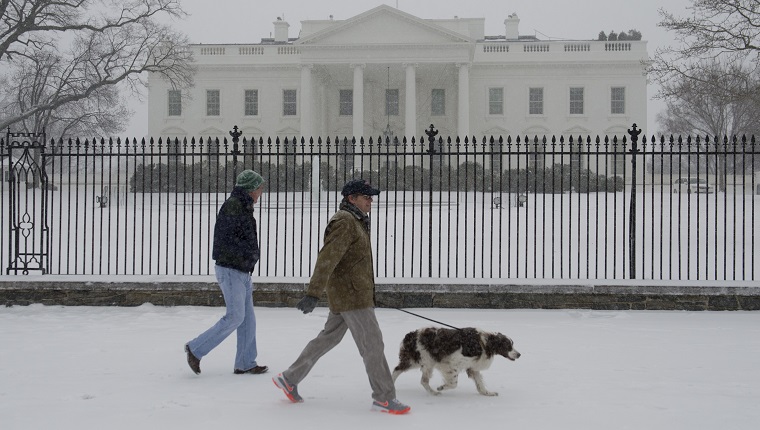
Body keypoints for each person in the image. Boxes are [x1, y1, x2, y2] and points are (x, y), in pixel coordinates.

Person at [272, 179, 410, 415]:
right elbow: (327, 258)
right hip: (352, 297)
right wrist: (313, 293)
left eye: (371, 196)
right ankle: (384, 397)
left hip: (350, 293)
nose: (371, 200)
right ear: (351, 199)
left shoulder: (355, 221)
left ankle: (289, 378)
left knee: (327, 339)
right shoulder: (345, 222)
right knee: (373, 344)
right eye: (366, 196)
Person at [184, 169, 268, 376]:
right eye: (259, 188)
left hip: (241, 270)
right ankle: (195, 349)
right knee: (235, 316)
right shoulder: (234, 206)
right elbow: (226, 240)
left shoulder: (242, 205)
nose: (261, 192)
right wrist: (243, 258)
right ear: (250, 189)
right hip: (231, 270)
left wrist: (248, 260)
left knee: (247, 318)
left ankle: (245, 362)